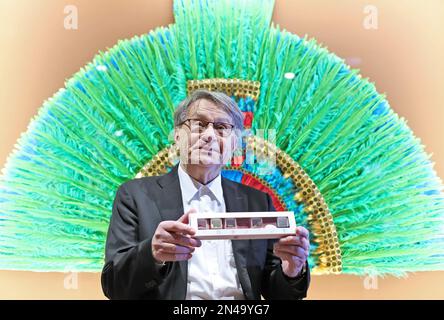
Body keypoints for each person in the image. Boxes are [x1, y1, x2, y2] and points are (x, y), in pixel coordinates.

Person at [101, 89, 310, 299]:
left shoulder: (256, 201)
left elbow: (279, 293)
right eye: (198, 124)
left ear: (234, 144)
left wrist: (291, 270)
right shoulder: (135, 196)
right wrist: (152, 254)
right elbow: (113, 285)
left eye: (221, 127)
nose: (209, 135)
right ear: (177, 135)